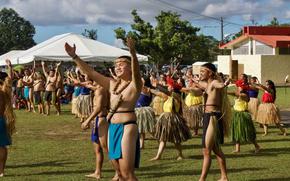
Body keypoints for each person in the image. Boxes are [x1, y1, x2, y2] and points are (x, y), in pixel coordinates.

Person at [65, 37, 142, 181]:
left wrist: (132, 53)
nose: (117, 67)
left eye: (121, 64)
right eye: (116, 64)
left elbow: (136, 73)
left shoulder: (135, 84)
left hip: (127, 127)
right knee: (119, 172)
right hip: (112, 127)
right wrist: (75, 57)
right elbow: (91, 73)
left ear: (130, 66)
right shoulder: (112, 84)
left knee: (127, 173)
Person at [196, 63, 231, 181]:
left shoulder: (215, 82)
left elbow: (220, 85)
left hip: (213, 117)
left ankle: (202, 179)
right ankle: (224, 177)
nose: (200, 73)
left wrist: (225, 83)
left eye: (202, 71)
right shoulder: (208, 84)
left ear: (210, 73)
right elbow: (201, 84)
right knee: (215, 149)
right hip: (207, 116)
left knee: (206, 150)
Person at [150, 78, 191, 161]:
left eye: (168, 86)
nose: (167, 87)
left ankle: (180, 155)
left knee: (176, 139)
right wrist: (149, 89)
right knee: (162, 138)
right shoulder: (168, 96)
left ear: (172, 88)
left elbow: (163, 92)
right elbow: (159, 93)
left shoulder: (176, 96)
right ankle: (158, 156)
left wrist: (157, 85)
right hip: (165, 118)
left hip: (173, 119)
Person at [0, 59, 16, 177]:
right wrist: (10, 67)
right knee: (2, 146)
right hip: (2, 120)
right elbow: (10, 79)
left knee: (2, 146)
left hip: (1, 120)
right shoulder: (5, 90)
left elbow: (10, 79)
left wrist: (10, 68)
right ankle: (1, 171)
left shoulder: (3, 91)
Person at [135, 77, 156, 149]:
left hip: (144, 111)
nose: (140, 81)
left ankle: (160, 140)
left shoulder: (146, 89)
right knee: (140, 129)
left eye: (142, 80)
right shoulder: (139, 88)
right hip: (137, 110)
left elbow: (139, 86)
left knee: (150, 129)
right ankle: (142, 145)